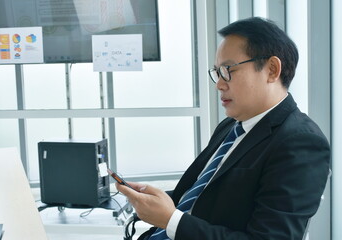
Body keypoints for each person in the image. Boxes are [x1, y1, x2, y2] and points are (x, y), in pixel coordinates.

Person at [116, 17, 331, 240]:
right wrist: (151, 200)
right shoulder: (231, 126)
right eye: (217, 72)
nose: (219, 83)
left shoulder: (300, 142)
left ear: (272, 70)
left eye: (228, 70)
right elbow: (202, 197)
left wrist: (171, 220)